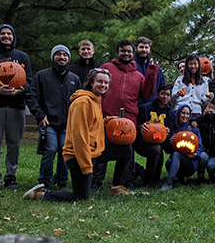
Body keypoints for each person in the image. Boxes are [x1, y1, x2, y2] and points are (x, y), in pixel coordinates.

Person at [24, 69, 133, 201]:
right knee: (81, 197)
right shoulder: (83, 102)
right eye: (99, 81)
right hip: (78, 155)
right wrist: (86, 166)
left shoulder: (96, 100)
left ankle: (116, 187)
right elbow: (79, 137)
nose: (103, 85)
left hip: (94, 151)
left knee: (126, 150)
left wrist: (108, 121)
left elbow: (93, 123)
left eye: (106, 82)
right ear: (91, 83)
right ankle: (40, 194)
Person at [94, 40, 158, 189]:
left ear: (133, 54)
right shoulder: (106, 68)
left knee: (128, 151)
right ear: (117, 53)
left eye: (129, 51)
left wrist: (151, 73)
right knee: (101, 148)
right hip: (106, 117)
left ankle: (124, 181)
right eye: (123, 51)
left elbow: (146, 94)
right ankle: (96, 182)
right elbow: (97, 86)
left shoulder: (138, 75)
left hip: (128, 120)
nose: (126, 53)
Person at [0, 24, 33, 191]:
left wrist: (21, 90)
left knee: (14, 144)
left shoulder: (22, 57)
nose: (6, 36)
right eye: (2, 33)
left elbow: (29, 80)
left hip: (16, 106)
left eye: (9, 33)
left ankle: (11, 176)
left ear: (13, 36)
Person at [27, 45, 82, 189]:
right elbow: (31, 96)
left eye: (65, 55)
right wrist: (39, 115)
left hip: (67, 124)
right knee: (51, 149)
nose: (62, 57)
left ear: (68, 58)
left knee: (65, 151)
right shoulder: (42, 76)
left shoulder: (74, 79)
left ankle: (62, 180)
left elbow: (80, 101)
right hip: (48, 122)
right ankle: (44, 181)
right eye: (58, 54)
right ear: (53, 57)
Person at [159, 104, 208, 191]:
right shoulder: (172, 128)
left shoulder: (194, 129)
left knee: (177, 154)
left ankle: (168, 182)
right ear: (178, 113)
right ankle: (180, 178)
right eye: (183, 113)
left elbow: (200, 146)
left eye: (187, 114)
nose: (185, 116)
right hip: (175, 160)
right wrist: (170, 142)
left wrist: (196, 154)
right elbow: (167, 150)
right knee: (170, 161)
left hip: (190, 162)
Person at [135, 84, 175, 187]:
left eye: (167, 95)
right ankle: (147, 182)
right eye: (162, 94)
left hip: (159, 142)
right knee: (156, 149)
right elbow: (135, 125)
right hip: (142, 142)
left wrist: (168, 131)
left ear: (170, 98)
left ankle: (140, 171)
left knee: (156, 178)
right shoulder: (145, 108)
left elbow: (171, 131)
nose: (165, 97)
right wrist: (140, 126)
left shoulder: (170, 113)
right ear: (157, 95)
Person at [172, 54, 213, 118]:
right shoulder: (180, 79)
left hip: (196, 112)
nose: (193, 66)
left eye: (195, 64)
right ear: (187, 66)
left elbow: (204, 99)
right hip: (180, 110)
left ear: (198, 65)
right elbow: (173, 96)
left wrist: (209, 97)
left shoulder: (204, 81)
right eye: (190, 64)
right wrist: (177, 94)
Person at [134, 37, 166, 106]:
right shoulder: (131, 65)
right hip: (134, 106)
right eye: (141, 47)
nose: (144, 50)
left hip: (152, 107)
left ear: (150, 49)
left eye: (146, 47)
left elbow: (163, 87)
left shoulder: (156, 68)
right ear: (136, 48)